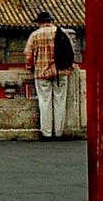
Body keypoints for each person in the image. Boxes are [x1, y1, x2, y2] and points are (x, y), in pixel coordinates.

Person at [24, 10, 70, 139]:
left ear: (39, 22)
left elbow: (28, 56)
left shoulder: (35, 35)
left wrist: (30, 66)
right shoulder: (62, 33)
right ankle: (59, 132)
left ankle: (47, 133)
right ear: (50, 21)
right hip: (60, 71)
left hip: (42, 72)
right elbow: (70, 52)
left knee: (45, 102)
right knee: (60, 101)